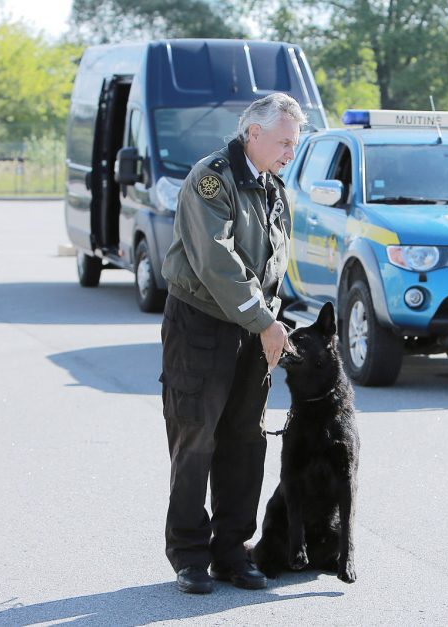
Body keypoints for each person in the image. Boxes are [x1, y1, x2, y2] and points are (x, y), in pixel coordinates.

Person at [159, 93, 306, 594]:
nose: (292, 150)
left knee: (245, 440)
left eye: (295, 141)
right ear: (254, 134)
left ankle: (231, 552)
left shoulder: (273, 187)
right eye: (285, 141)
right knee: (195, 437)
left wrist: (274, 319)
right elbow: (215, 259)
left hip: (253, 326)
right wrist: (264, 320)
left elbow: (272, 261)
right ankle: (189, 555)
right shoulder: (212, 177)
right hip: (202, 323)